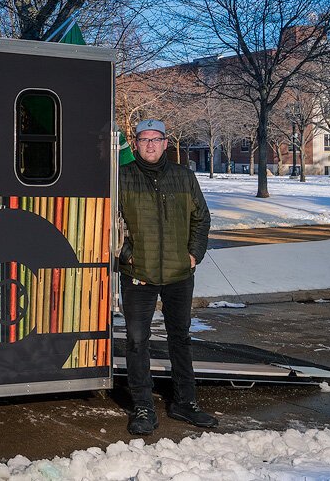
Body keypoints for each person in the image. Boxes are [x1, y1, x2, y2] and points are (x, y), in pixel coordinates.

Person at [117, 119, 218, 435]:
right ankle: (144, 408)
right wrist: (126, 254)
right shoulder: (121, 178)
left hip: (178, 273)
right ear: (136, 144)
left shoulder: (184, 177)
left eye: (155, 139)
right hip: (139, 274)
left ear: (165, 143)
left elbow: (201, 219)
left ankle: (185, 403)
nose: (149, 144)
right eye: (143, 139)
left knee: (181, 337)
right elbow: (109, 222)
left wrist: (193, 255)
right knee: (136, 341)